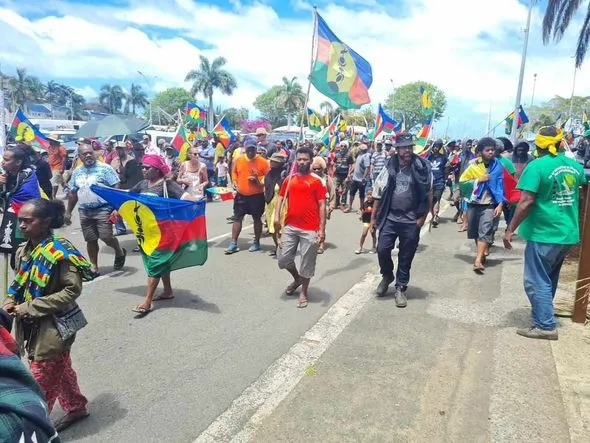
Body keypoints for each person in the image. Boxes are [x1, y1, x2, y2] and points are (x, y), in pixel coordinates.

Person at [3, 198, 94, 432]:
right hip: (31, 324)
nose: (21, 226)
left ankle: (35, 429)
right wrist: (12, 297)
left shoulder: (60, 252)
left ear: (45, 222)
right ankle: (76, 407)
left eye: (28, 221)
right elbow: (21, 281)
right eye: (20, 220)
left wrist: (28, 307)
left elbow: (71, 291)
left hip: (54, 327)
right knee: (61, 369)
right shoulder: (24, 249)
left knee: (37, 385)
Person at [504, 126, 587, 340]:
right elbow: (581, 192)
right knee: (548, 278)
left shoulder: (537, 167)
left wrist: (510, 228)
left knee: (535, 279)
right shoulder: (574, 166)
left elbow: (526, 202)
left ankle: (545, 325)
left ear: (537, 145)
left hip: (544, 233)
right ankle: (542, 316)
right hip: (566, 233)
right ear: (560, 143)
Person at [129, 155, 195, 315]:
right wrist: (117, 210)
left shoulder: (168, 185)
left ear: (157, 170)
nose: (143, 170)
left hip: (164, 233)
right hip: (146, 231)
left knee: (155, 264)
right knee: (159, 262)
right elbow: (128, 196)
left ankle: (147, 301)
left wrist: (195, 203)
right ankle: (167, 291)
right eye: (142, 167)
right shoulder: (143, 184)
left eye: (147, 167)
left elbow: (187, 198)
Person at [371, 133, 432, 307]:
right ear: (396, 149)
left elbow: (429, 193)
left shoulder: (422, 167)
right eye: (404, 147)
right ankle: (387, 275)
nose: (407, 150)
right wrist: (374, 217)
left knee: (406, 255)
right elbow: (378, 191)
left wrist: (423, 217)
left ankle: (400, 287)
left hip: (411, 219)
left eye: (409, 147)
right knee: (382, 249)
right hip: (390, 217)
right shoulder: (390, 166)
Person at [275, 147, 326, 308]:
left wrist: (322, 229)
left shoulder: (317, 181)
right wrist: (276, 218)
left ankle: (304, 290)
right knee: (283, 259)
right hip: (290, 225)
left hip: (310, 228)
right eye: (299, 159)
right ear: (295, 161)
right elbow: (280, 199)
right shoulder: (289, 179)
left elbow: (322, 206)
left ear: (311, 160)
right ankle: (297, 278)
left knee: (307, 262)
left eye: (305, 159)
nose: (302, 162)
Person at [65, 144, 127, 276]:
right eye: (84, 154)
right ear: (79, 156)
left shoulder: (105, 168)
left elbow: (116, 186)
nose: (88, 155)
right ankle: (94, 266)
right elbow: (73, 193)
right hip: (84, 210)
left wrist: (116, 207)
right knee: (90, 239)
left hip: (103, 209)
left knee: (106, 236)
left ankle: (119, 250)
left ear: (94, 153)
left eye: (90, 152)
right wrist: (68, 212)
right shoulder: (77, 172)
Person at [459, 137, 505, 274]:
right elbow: (462, 182)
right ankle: (481, 252)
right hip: (474, 203)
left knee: (485, 231)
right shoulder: (472, 165)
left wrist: (500, 204)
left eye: (492, 150)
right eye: (487, 150)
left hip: (489, 205)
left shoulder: (498, 166)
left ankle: (478, 260)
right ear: (480, 152)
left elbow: (501, 186)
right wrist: (479, 180)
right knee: (474, 232)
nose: (491, 152)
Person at [226, 136, 270, 254]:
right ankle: (233, 243)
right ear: (245, 149)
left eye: (253, 149)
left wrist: (257, 179)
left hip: (257, 196)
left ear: (256, 149)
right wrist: (234, 181)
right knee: (237, 217)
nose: (250, 152)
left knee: (257, 218)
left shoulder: (263, 162)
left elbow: (268, 178)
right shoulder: (239, 160)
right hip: (241, 195)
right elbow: (234, 171)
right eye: (248, 149)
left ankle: (256, 242)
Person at [264, 152, 288, 256]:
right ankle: (277, 248)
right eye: (271, 161)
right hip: (270, 203)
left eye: (274, 162)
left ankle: (284, 249)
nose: (271, 163)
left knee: (279, 226)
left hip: (281, 204)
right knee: (271, 228)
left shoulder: (285, 175)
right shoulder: (269, 174)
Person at [311, 156, 335, 254]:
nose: (316, 170)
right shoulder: (310, 177)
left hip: (324, 204)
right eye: (314, 168)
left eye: (319, 168)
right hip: (312, 204)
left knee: (322, 225)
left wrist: (331, 205)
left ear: (322, 168)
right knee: (312, 226)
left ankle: (321, 245)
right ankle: (313, 242)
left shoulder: (326, 178)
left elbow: (332, 192)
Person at [427, 139, 449, 227]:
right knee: (430, 201)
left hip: (440, 182)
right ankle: (433, 214)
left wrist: (445, 180)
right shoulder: (429, 157)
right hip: (430, 183)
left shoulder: (443, 158)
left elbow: (446, 169)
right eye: (435, 146)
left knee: (437, 199)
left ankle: (435, 216)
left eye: (438, 146)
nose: (436, 148)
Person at [346, 143, 371, 213]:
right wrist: (350, 173)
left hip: (361, 179)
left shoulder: (365, 156)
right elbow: (355, 166)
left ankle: (361, 208)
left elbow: (367, 167)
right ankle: (350, 207)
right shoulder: (359, 156)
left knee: (361, 194)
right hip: (355, 178)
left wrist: (364, 177)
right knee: (351, 193)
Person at [356, 188, 377, 254]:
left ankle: (374, 247)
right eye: (368, 194)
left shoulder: (375, 204)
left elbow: (377, 212)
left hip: (373, 222)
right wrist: (361, 216)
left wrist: (375, 222)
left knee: (373, 234)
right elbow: (363, 210)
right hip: (366, 221)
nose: (369, 196)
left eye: (370, 194)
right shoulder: (365, 203)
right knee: (364, 234)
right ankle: (360, 247)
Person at [333, 141, 352, 210]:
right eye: (342, 146)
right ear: (340, 147)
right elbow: (334, 163)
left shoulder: (349, 155)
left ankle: (343, 203)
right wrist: (334, 170)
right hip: (337, 175)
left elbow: (350, 165)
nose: (343, 147)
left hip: (345, 175)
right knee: (336, 189)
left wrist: (349, 174)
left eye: (345, 146)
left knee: (344, 190)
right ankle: (337, 203)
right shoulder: (337, 155)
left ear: (347, 147)